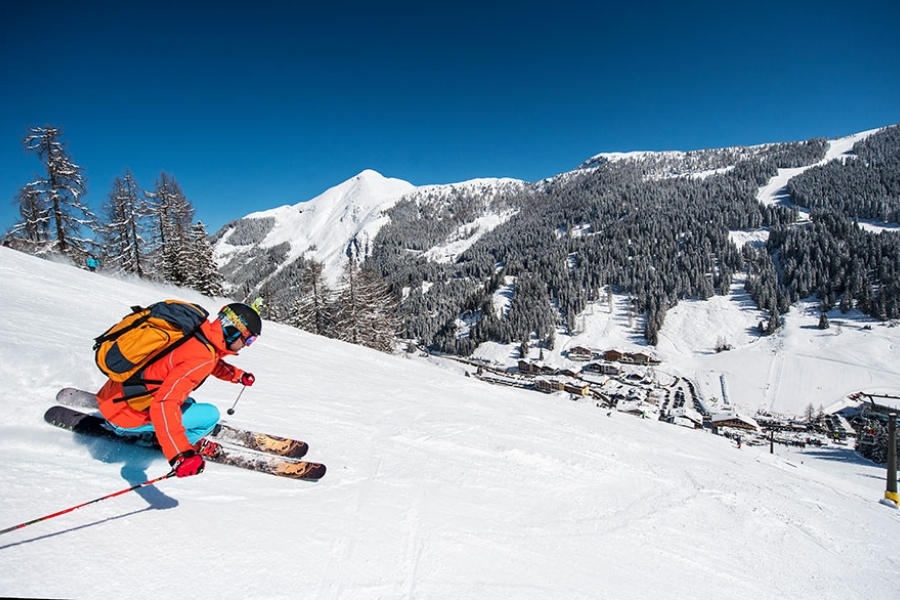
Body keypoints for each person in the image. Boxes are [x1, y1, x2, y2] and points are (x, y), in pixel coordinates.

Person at [95, 302, 261, 478]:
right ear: (233, 330)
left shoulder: (197, 332)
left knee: (190, 404)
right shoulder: (201, 357)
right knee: (210, 416)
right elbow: (165, 404)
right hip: (125, 415)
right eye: (249, 339)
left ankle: (153, 432)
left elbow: (210, 362)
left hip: (115, 395)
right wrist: (180, 453)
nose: (248, 345)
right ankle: (166, 441)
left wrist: (237, 375)